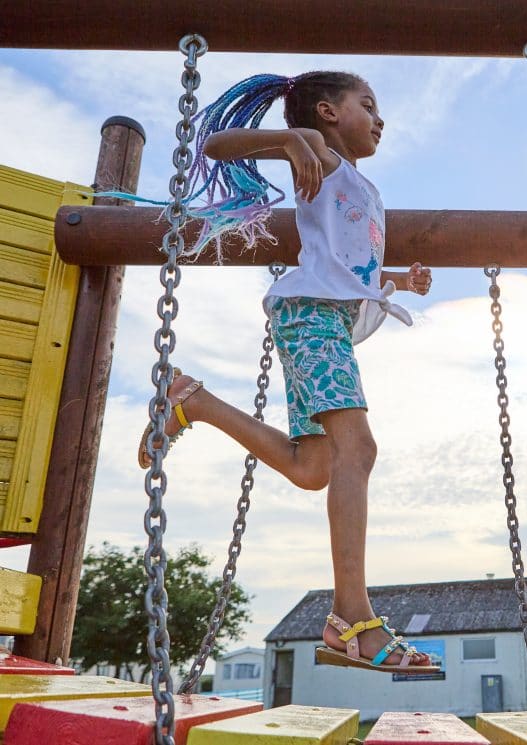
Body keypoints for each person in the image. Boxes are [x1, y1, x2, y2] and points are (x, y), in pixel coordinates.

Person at [136, 71, 437, 674]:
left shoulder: (362, 186)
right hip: (312, 318)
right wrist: (289, 139)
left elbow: (347, 267)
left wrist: (399, 281)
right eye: (368, 105)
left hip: (329, 320)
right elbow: (216, 146)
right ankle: (352, 617)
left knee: (313, 468)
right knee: (358, 449)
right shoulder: (319, 153)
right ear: (327, 112)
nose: (380, 119)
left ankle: (194, 402)